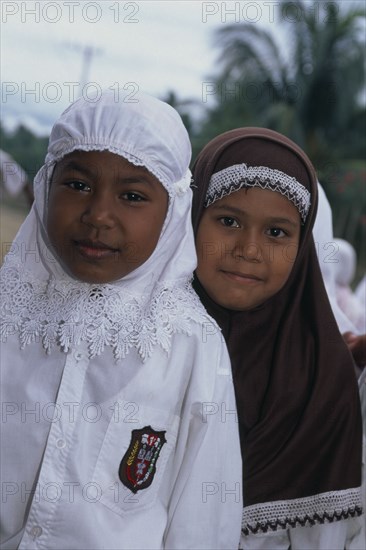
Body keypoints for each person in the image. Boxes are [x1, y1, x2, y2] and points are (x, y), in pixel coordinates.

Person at [0, 90, 242, 549]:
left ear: (172, 211)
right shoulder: (7, 311)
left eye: (132, 195)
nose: (98, 215)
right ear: (45, 185)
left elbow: (202, 514)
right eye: (77, 185)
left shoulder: (191, 344)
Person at [191, 127, 364, 549]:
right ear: (191, 216)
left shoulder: (323, 378)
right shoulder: (143, 340)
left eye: (276, 233)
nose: (249, 250)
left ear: (303, 247)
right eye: (228, 221)